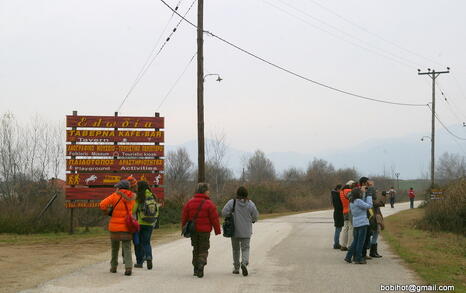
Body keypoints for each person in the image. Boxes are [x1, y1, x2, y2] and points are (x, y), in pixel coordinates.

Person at [181, 183, 221, 278]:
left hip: (193, 230)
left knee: (196, 249)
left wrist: (183, 228)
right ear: (205, 191)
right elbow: (214, 219)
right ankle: (201, 264)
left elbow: (184, 217)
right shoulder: (209, 204)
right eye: (208, 190)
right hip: (205, 231)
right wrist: (217, 230)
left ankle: (195, 269)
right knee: (204, 249)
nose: (209, 192)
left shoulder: (189, 203)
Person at [99, 180, 136, 276]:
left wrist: (107, 211)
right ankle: (128, 268)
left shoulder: (115, 195)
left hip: (114, 227)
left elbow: (102, 204)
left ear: (120, 188)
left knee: (115, 248)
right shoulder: (132, 197)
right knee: (127, 248)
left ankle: (113, 267)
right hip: (127, 226)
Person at [222, 186, 259, 276]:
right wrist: (252, 220)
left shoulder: (232, 202)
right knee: (245, 248)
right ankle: (244, 263)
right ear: (246, 194)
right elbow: (255, 216)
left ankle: (236, 268)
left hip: (234, 231)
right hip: (246, 232)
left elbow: (224, 212)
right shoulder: (251, 204)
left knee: (235, 249)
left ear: (237, 194)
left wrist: (230, 214)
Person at [133, 180, 158, 270]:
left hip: (140, 223)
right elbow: (157, 210)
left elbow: (133, 210)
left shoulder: (140, 197)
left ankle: (139, 262)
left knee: (139, 243)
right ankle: (149, 257)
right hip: (150, 223)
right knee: (147, 242)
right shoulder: (153, 196)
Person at [344, 187, 373, 264]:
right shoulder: (358, 201)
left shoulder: (352, 201)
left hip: (356, 223)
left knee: (355, 241)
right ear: (358, 194)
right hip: (362, 223)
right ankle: (358, 258)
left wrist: (364, 194)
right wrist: (369, 196)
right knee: (361, 242)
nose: (362, 193)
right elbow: (369, 206)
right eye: (361, 192)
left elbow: (362, 202)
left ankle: (348, 256)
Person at [369, 190, 386, 258]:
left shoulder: (370, 201)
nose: (376, 194)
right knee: (375, 236)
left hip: (373, 220)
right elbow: (381, 203)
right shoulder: (372, 202)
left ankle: (374, 252)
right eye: (375, 193)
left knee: (374, 236)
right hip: (374, 220)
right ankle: (373, 252)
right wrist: (383, 196)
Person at [339, 180, 355, 251]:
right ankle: (350, 245)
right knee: (351, 228)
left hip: (344, 210)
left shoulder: (341, 192)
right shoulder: (348, 191)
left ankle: (343, 245)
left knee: (345, 228)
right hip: (349, 211)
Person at [331, 184, 343, 249]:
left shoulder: (335, 194)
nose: (341, 191)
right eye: (341, 190)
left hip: (337, 213)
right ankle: (336, 244)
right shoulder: (336, 195)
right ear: (338, 189)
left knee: (338, 229)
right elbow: (338, 206)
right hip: (338, 213)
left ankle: (336, 243)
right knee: (338, 229)